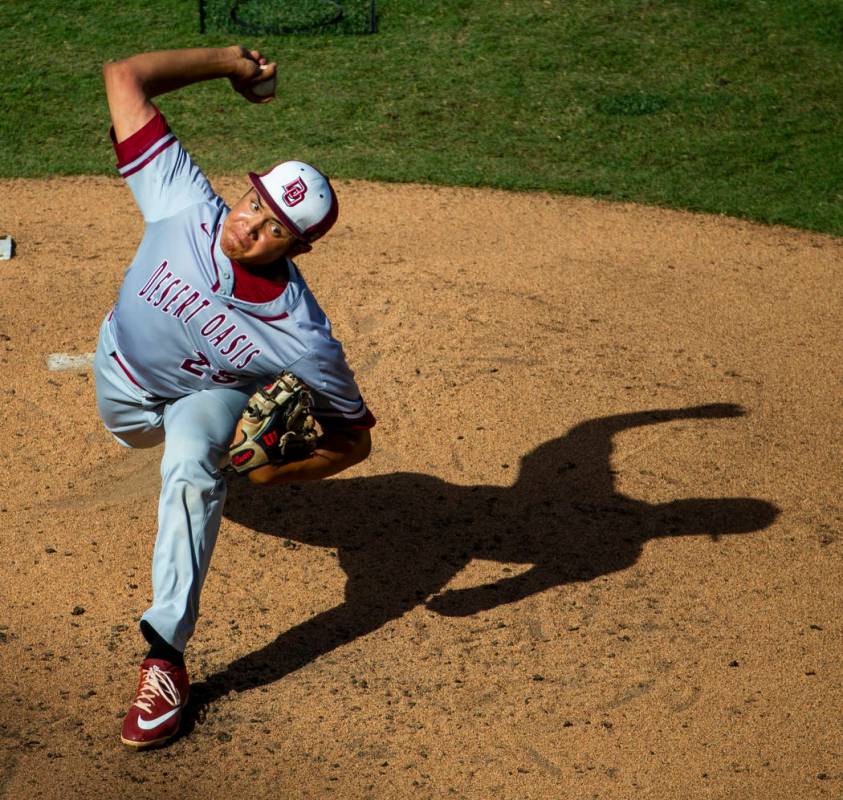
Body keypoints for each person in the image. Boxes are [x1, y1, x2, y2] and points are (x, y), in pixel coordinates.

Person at [94, 45, 375, 749]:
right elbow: (122, 77)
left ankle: (165, 659)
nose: (247, 224)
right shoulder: (185, 198)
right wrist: (229, 63)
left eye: (272, 225)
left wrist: (275, 472)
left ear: (295, 246)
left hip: (203, 395)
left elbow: (354, 438)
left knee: (193, 463)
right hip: (119, 379)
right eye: (254, 202)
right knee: (143, 435)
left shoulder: (302, 335)